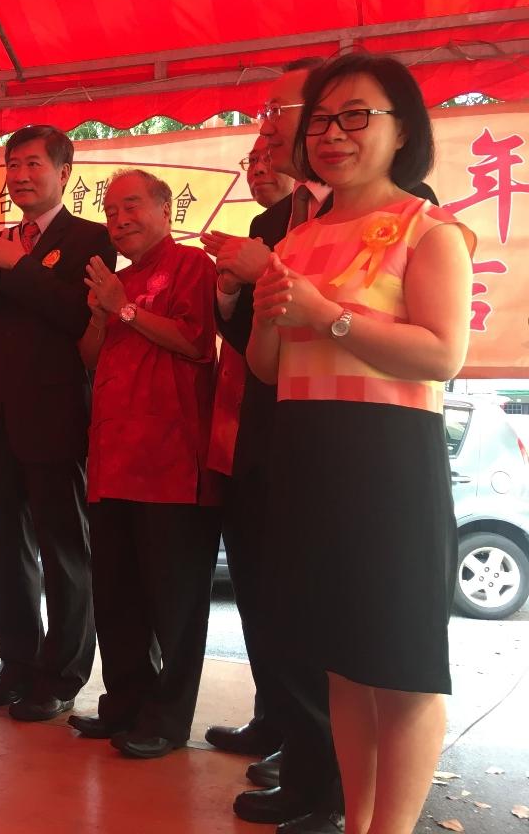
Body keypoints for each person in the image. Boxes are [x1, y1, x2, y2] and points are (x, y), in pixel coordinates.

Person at [248, 53, 473, 834]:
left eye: (355, 116)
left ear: (402, 128)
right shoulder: (298, 236)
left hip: (388, 464)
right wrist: (273, 314)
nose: (332, 133)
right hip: (309, 457)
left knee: (402, 672)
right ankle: (360, 820)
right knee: (342, 663)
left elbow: (444, 354)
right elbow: (266, 366)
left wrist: (329, 315)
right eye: (319, 120)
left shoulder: (429, 228)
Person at [203, 59, 348, 833]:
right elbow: (253, 341)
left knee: (327, 613)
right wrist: (232, 293)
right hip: (264, 431)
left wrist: (273, 271)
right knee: (272, 602)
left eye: (274, 109)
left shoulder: (389, 211)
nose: (262, 125)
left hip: (337, 438)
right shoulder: (271, 219)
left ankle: (331, 780)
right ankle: (296, 747)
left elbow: (350, 318)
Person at [0, 125, 115, 720]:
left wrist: (18, 267)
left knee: (64, 548)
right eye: (13, 165)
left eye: (33, 165)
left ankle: (63, 673)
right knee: (4, 548)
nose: (21, 176)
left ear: (64, 172)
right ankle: (15, 664)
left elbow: (76, 315)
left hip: (57, 415)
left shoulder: (90, 239)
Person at [68, 169, 220, 760]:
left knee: (173, 600)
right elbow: (88, 356)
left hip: (171, 460)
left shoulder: (193, 268)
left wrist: (123, 308)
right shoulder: (117, 280)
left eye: (131, 205)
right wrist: (104, 312)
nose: (119, 218)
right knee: (117, 593)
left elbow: (194, 341)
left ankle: (168, 716)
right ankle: (124, 703)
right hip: (112, 458)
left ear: (164, 209)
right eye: (110, 210)